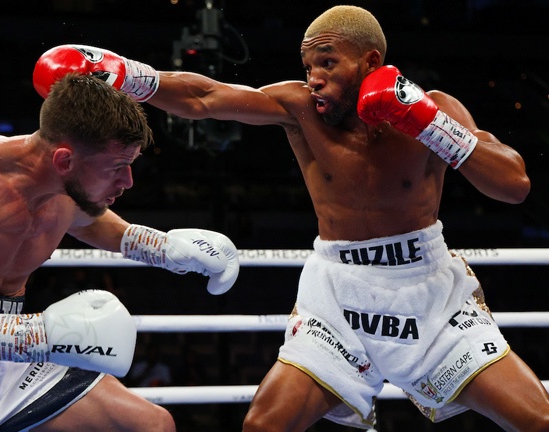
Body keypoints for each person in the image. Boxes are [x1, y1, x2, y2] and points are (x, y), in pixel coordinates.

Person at [32, 5, 549, 432]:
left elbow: (514, 184)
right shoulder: (300, 110)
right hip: (339, 296)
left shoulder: (435, 110)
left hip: (429, 289)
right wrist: (125, 74)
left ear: (371, 61)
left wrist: (426, 123)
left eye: (327, 63)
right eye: (308, 67)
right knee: (264, 426)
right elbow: (205, 97)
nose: (314, 79)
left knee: (538, 418)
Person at [0, 72, 240, 432]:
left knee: (152, 424)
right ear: (64, 161)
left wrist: (162, 248)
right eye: (117, 167)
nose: (128, 182)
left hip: (10, 354)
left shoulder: (67, 188)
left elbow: (91, 221)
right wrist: (38, 335)